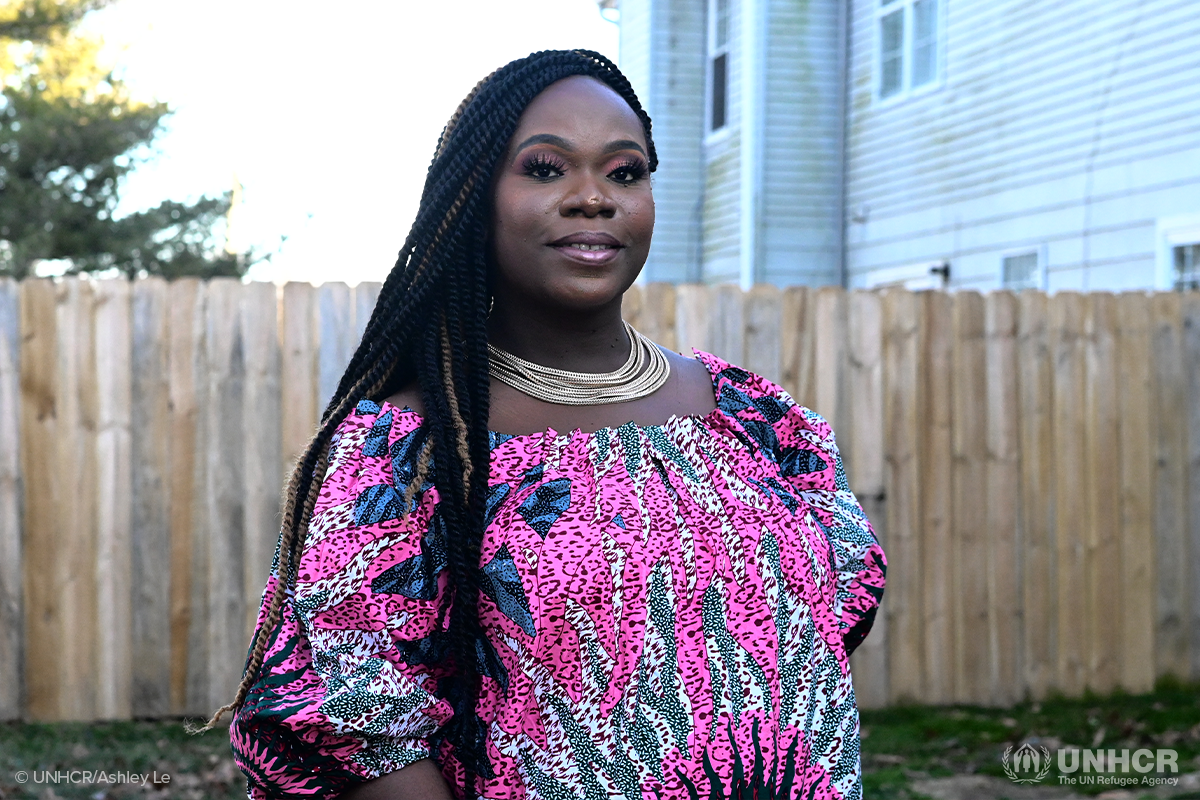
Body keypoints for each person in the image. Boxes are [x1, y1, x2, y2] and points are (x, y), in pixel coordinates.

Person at [216, 49, 886, 800]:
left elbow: (820, 639)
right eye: (545, 168)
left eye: (624, 172)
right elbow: (354, 730)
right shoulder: (404, 456)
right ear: (475, 198)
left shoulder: (755, 420)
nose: (592, 197)